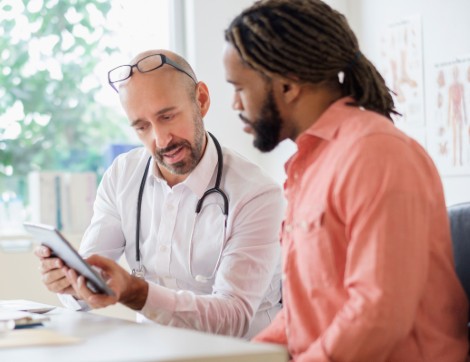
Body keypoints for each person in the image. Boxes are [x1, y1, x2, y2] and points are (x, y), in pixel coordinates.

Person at [223, 0, 469, 360]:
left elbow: (379, 316)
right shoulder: (310, 164)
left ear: (288, 86)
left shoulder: (376, 154)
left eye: (239, 88)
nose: (234, 104)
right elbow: (304, 316)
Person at [35, 49, 284, 339]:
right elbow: (93, 275)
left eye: (167, 116)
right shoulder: (122, 176)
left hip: (241, 355)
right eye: (142, 127)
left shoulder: (256, 193)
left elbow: (233, 317)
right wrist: (70, 282)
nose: (160, 140)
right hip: (156, 350)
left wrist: (134, 292)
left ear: (201, 100)